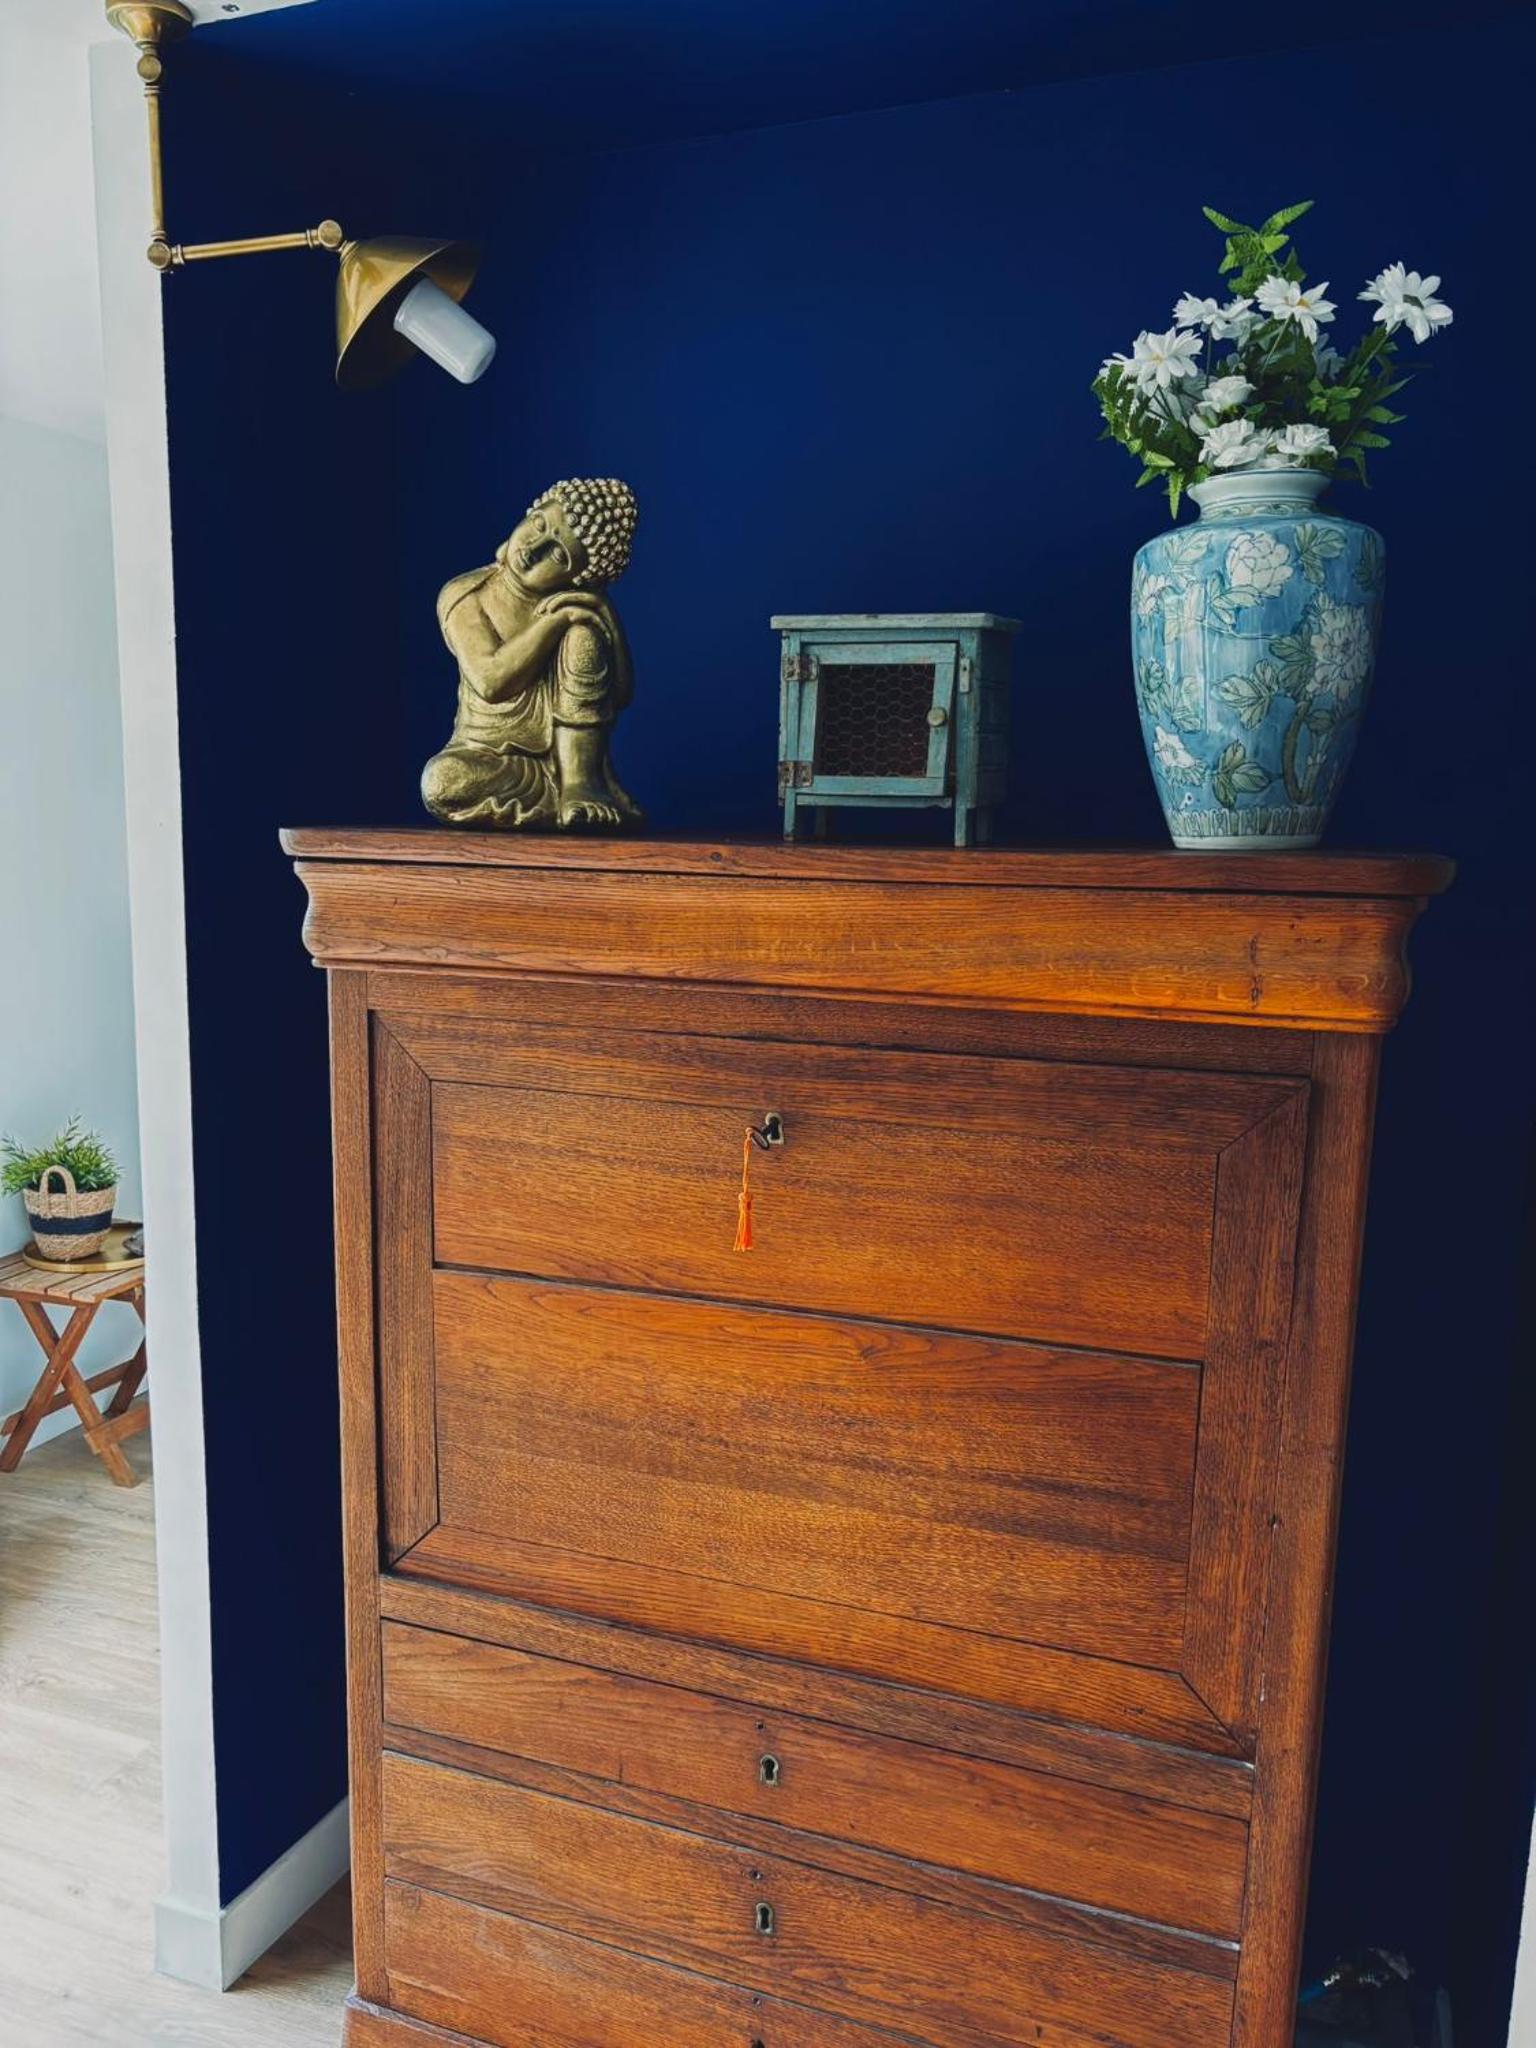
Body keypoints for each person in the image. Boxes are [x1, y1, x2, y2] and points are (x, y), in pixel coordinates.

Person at [420, 477, 642, 828]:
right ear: (530, 512)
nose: (534, 549)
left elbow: (620, 694)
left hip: (568, 765)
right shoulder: (466, 594)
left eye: (557, 555)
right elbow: (491, 682)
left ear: (580, 578)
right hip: (488, 761)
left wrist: (605, 616)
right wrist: (553, 623)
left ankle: (580, 786)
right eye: (539, 524)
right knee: (441, 782)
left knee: (583, 634)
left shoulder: (577, 610)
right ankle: (556, 802)